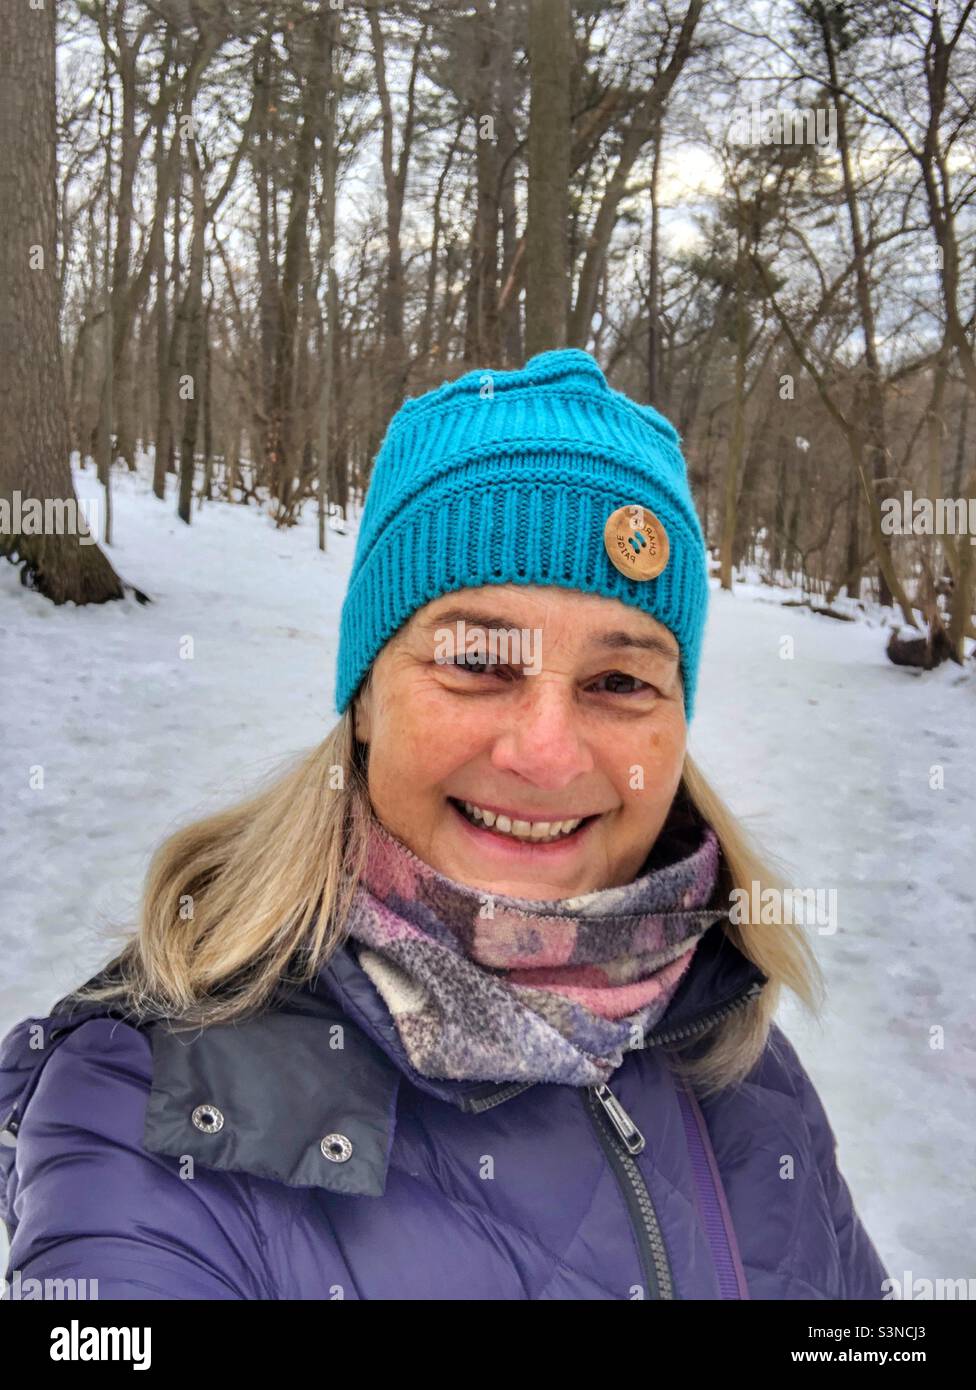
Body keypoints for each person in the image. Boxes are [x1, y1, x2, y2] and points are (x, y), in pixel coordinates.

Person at [0, 348, 888, 1300]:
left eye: (620, 681)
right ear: (367, 699)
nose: (546, 754)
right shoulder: (149, 1098)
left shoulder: (736, 1049)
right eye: (477, 661)